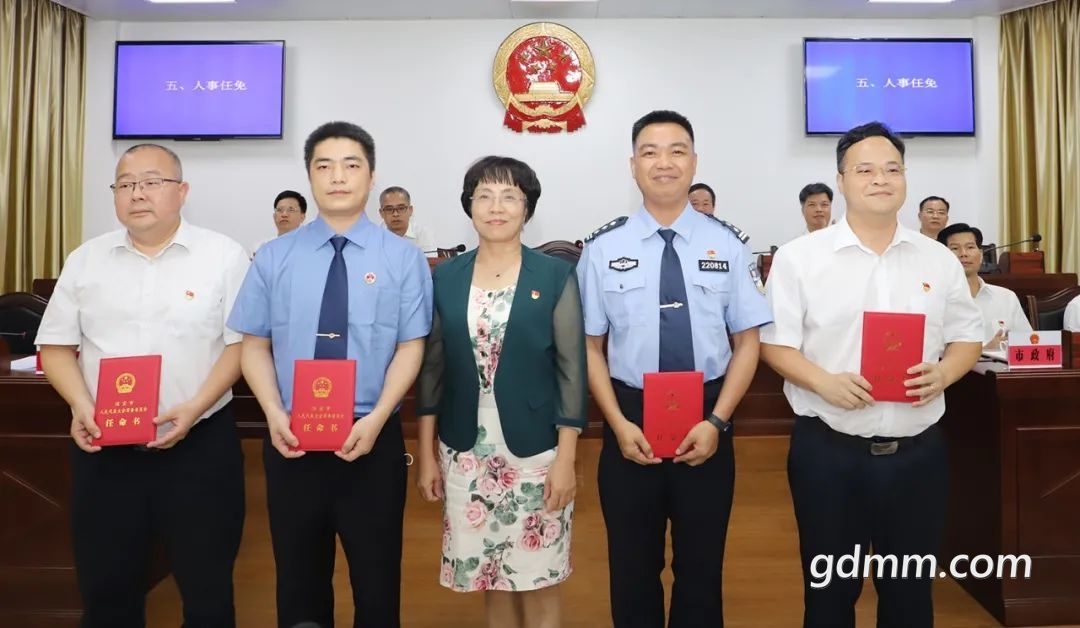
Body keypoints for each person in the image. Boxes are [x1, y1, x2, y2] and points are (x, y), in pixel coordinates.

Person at [760, 121, 983, 628]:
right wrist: (823, 381)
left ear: (904, 178)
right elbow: (774, 344)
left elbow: (968, 335)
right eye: (865, 169)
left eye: (892, 169)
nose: (880, 179)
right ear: (840, 181)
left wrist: (945, 372)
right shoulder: (799, 258)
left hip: (918, 454)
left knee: (910, 597)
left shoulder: (939, 259)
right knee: (829, 596)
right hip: (829, 454)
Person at [226, 121, 432, 628]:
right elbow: (253, 344)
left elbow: (411, 346)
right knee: (298, 584)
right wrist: (274, 413)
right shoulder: (274, 257)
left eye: (351, 165)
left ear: (371, 175)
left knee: (378, 582)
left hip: (371, 437)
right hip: (291, 439)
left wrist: (380, 417)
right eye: (324, 166)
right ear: (309, 176)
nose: (337, 176)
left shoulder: (403, 258)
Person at [35, 143, 249, 627]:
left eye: (152, 182)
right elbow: (55, 347)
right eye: (126, 184)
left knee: (207, 590)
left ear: (182, 191)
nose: (138, 194)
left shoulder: (223, 256)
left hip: (199, 448)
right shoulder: (86, 260)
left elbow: (241, 347)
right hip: (105, 452)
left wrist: (194, 407)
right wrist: (79, 404)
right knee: (107, 591)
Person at [577, 110, 773, 628]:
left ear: (694, 161)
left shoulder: (728, 245)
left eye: (677, 150)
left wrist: (718, 421)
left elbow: (747, 343)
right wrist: (618, 424)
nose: (664, 163)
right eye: (650, 151)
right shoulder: (601, 249)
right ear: (632, 164)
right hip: (629, 419)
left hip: (709, 414)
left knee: (702, 566)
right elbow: (590, 347)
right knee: (632, 566)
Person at [414, 155, 586, 628]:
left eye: (510, 196)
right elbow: (432, 369)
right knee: (490, 574)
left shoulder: (553, 276)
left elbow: (572, 371)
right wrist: (425, 451)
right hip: (465, 449)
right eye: (484, 195)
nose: (496, 207)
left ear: (527, 208)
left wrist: (567, 460)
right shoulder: (445, 276)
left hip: (536, 451)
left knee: (540, 576)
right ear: (468, 205)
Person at [938, 222, 1031, 349]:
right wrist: (984, 351)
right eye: (954, 248)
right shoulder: (933, 299)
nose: (963, 253)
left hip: (1000, 368)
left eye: (970, 247)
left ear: (981, 255)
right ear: (942, 256)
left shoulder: (1006, 297)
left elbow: (1028, 343)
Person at [378, 185, 438, 258]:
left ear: (410, 210)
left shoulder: (423, 234)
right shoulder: (374, 237)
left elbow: (428, 264)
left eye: (401, 208)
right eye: (389, 209)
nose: (395, 214)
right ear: (381, 213)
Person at [254, 190, 308, 256]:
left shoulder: (311, 247)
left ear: (302, 217)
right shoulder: (261, 248)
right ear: (274, 216)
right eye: (279, 210)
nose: (284, 214)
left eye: (291, 210)